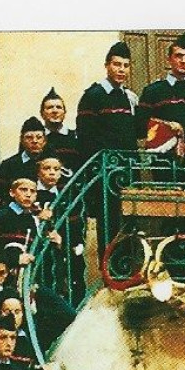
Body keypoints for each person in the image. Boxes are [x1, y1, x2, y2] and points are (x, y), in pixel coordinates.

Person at [77, 42, 142, 247]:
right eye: (117, 64)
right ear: (107, 65)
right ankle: (109, 276)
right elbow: (86, 137)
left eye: (126, 65)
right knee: (109, 225)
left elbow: (137, 133)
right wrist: (96, 171)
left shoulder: (130, 98)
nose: (121, 70)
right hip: (105, 172)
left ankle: (128, 275)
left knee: (130, 225)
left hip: (128, 171)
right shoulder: (93, 96)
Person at [0, 118, 51, 211]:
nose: (34, 141)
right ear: (22, 140)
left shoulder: (51, 165)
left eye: (39, 137)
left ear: (44, 141)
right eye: (29, 137)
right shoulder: (9, 165)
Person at [39, 87, 81, 173]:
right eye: (50, 107)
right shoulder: (35, 139)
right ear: (42, 113)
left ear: (64, 113)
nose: (55, 111)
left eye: (59, 107)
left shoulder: (75, 137)